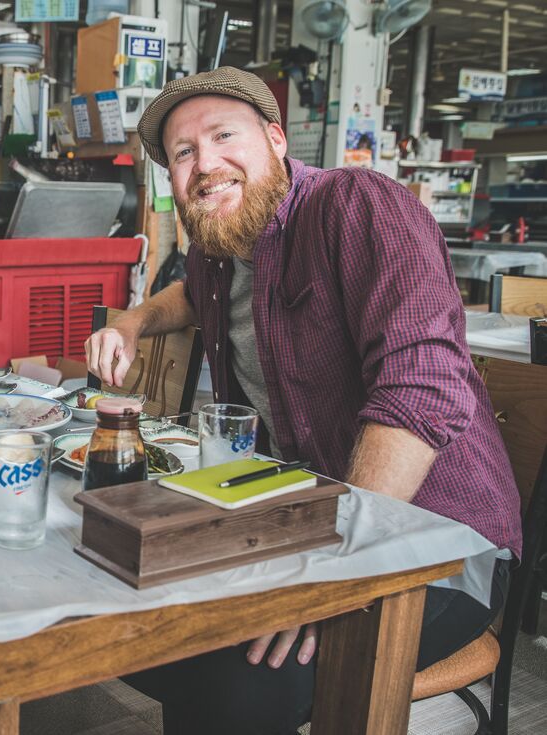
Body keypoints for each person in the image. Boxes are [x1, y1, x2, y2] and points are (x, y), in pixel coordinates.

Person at [84, 67, 522, 734]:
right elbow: (188, 296)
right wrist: (132, 322)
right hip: (305, 512)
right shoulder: (216, 251)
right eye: (183, 152)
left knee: (234, 680)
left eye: (224, 136)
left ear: (276, 139)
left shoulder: (357, 205)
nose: (206, 164)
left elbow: (419, 388)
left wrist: (332, 567)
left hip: (438, 541)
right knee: (145, 615)